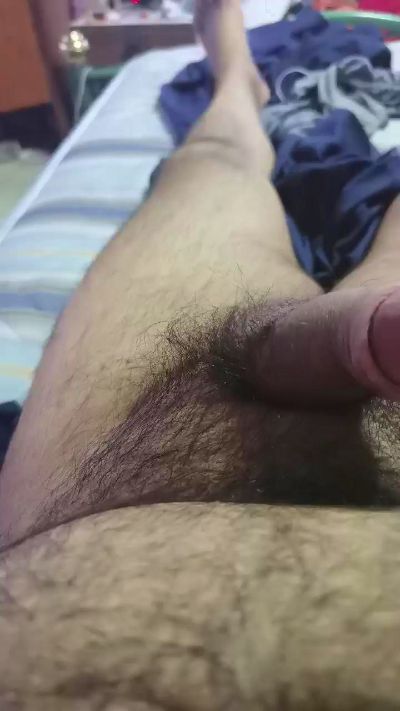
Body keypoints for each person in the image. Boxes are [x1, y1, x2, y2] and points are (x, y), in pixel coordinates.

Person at [2, 1, 400, 706]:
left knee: (215, 162)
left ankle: (235, 82)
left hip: (91, 506)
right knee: (219, 160)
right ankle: (236, 76)